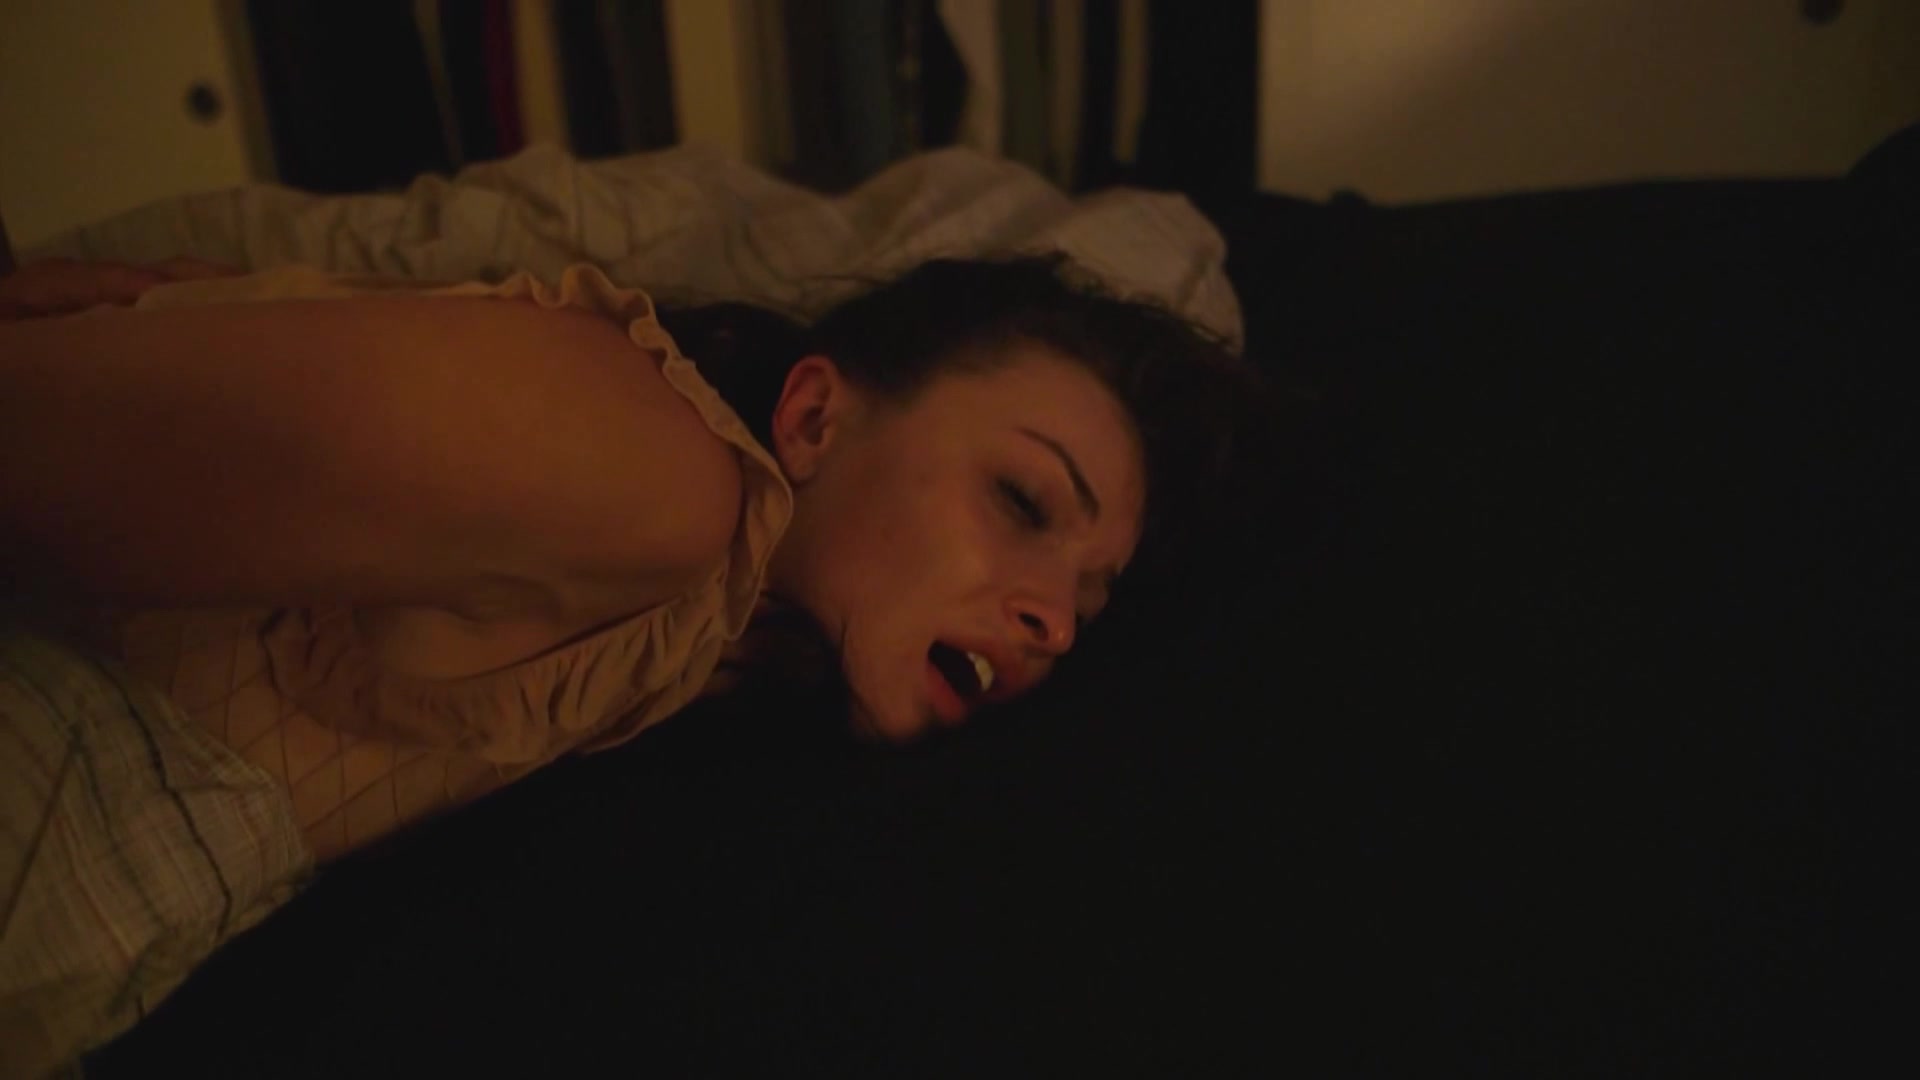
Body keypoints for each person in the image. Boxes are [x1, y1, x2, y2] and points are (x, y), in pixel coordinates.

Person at [0, 251, 1257, 1071]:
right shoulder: (656, 482)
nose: (1057, 624)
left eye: (1091, 598)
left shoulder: (723, 675)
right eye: (1024, 501)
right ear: (815, 417)